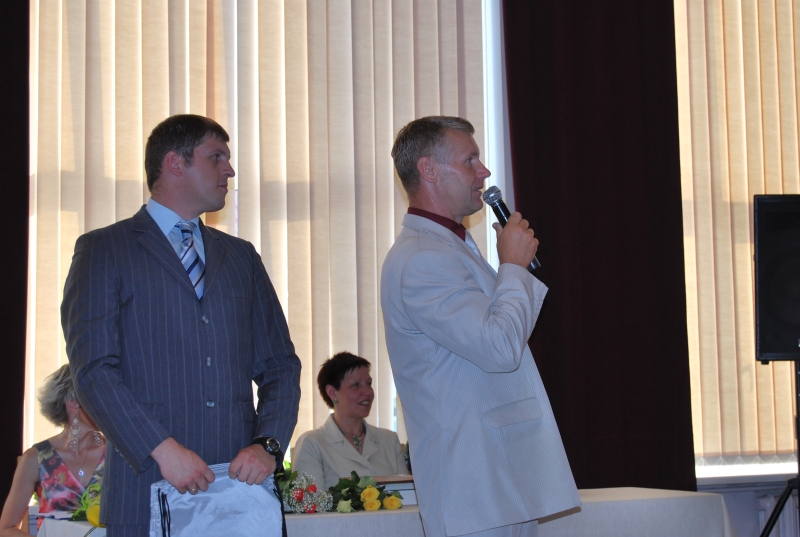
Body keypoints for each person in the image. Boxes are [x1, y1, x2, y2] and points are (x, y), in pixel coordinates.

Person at [61, 114, 302, 536]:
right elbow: (93, 371)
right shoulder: (105, 249)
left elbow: (280, 365)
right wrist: (162, 450)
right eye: (217, 157)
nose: (230, 169)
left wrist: (268, 445)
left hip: (241, 495)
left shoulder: (242, 257)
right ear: (175, 162)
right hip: (145, 487)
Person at [380, 116, 580, 537]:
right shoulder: (422, 259)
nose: (484, 172)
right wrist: (513, 266)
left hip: (498, 478)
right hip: (472, 486)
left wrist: (512, 269)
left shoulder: (449, 246)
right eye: (469, 160)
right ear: (429, 170)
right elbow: (499, 348)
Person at [0, 365, 105, 536]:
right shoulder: (36, 458)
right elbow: (6, 528)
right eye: (98, 398)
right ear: (73, 404)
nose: (108, 406)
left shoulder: (118, 454)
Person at [292, 352, 408, 490]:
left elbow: (407, 496)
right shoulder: (311, 443)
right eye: (356, 385)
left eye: (369, 383)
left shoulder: (389, 440)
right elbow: (311, 501)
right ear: (332, 392)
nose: (367, 392)